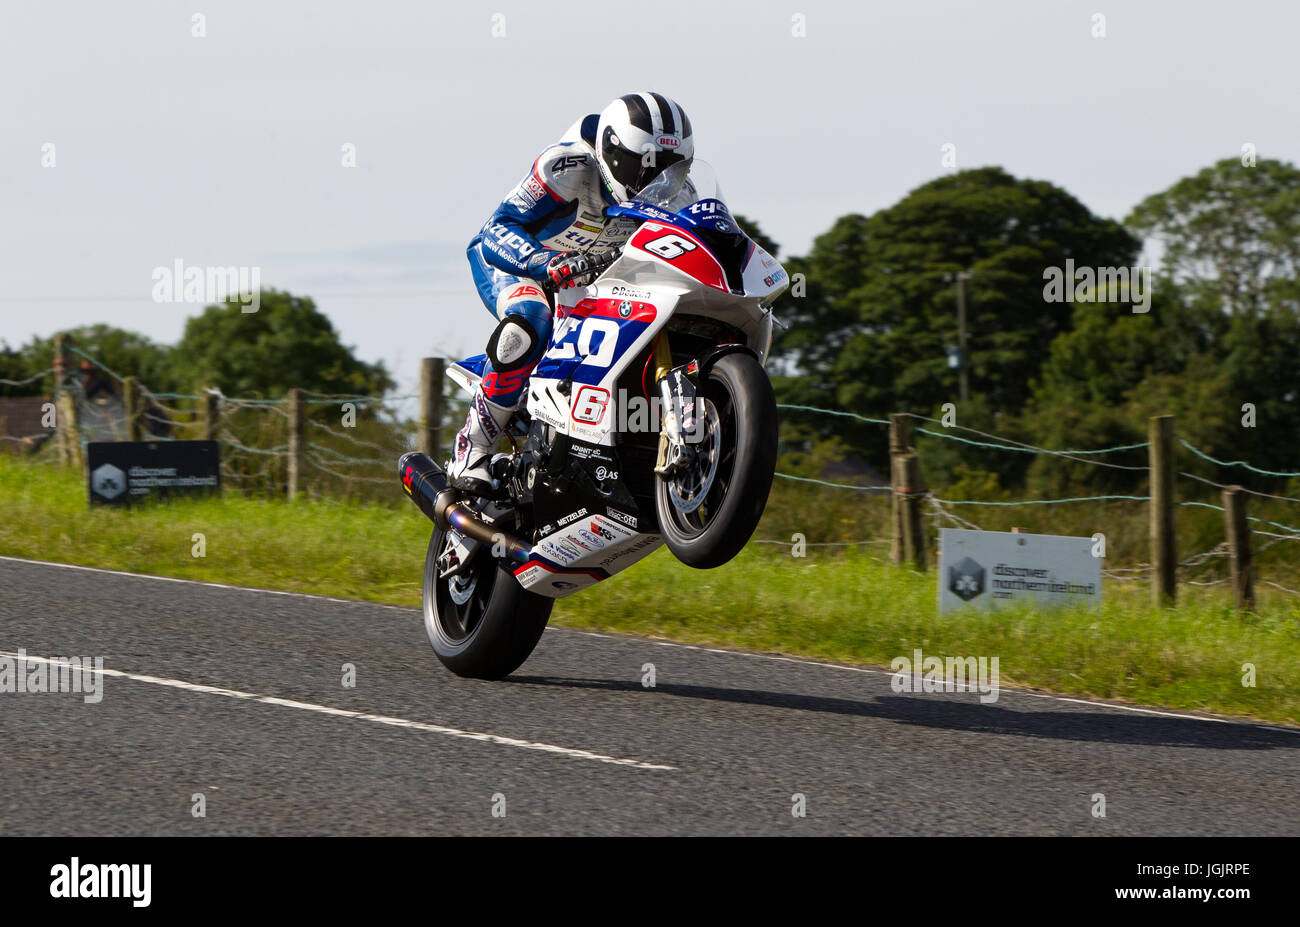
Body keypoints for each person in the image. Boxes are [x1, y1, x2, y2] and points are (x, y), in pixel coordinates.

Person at [447, 92, 695, 493]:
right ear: (612, 153)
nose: (653, 182)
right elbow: (497, 228)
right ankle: (471, 447)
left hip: (589, 278)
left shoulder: (681, 195)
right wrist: (542, 263)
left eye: (668, 170)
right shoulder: (566, 167)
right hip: (517, 263)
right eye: (643, 166)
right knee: (532, 317)